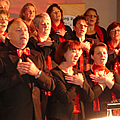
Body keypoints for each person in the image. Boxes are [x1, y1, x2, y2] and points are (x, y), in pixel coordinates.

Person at [0, 18, 55, 120]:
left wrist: (37, 73)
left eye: (25, 30)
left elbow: (51, 84)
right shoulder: (2, 56)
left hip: (36, 115)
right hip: (11, 115)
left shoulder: (37, 56)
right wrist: (17, 74)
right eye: (18, 30)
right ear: (8, 35)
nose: (23, 33)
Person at [47, 40, 95, 120]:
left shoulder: (79, 73)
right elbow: (65, 97)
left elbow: (90, 97)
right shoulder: (55, 73)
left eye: (78, 52)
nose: (77, 55)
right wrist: (77, 84)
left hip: (79, 115)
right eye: (73, 51)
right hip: (60, 117)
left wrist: (82, 84)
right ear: (63, 53)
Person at [83, 42, 120, 119]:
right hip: (94, 115)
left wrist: (108, 82)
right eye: (98, 53)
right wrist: (102, 84)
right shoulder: (87, 75)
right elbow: (89, 97)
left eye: (104, 53)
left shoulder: (112, 74)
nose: (102, 55)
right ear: (92, 56)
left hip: (113, 114)